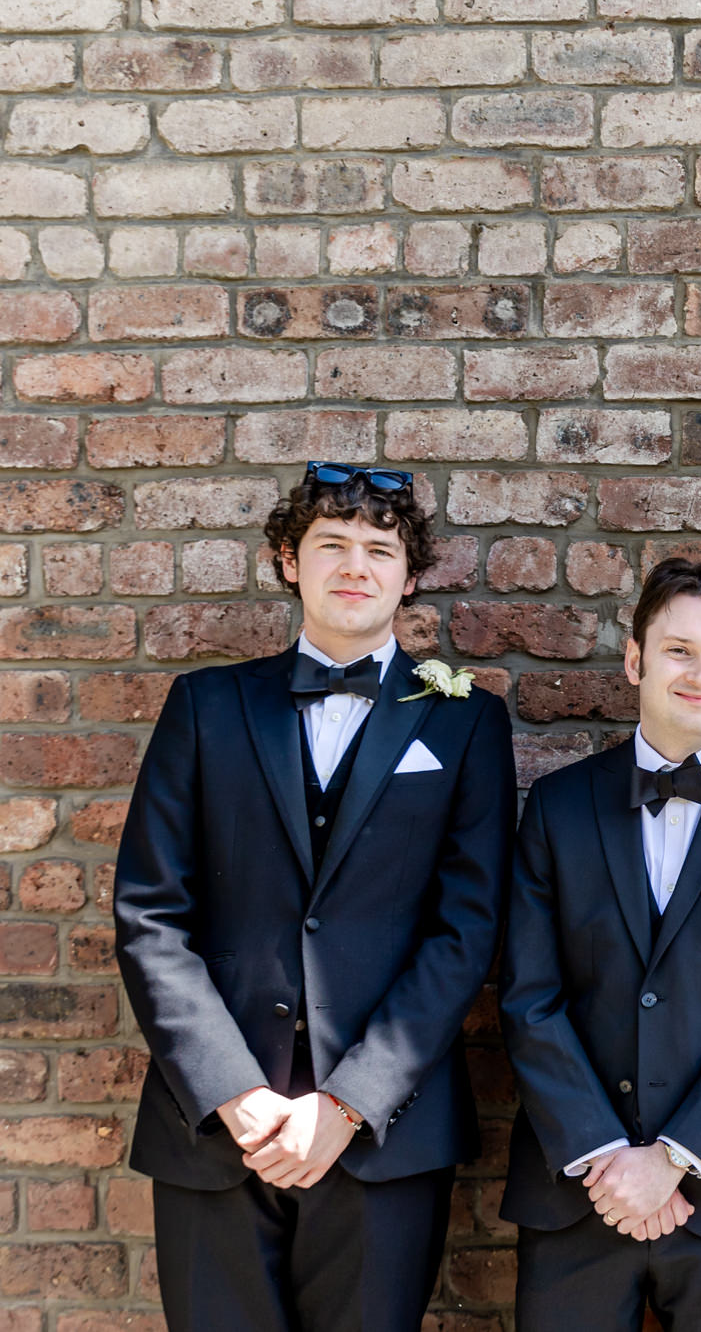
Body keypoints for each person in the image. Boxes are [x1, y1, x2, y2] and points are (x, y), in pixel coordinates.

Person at [115, 462, 514, 1332]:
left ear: (411, 577)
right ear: (289, 561)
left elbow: (466, 931)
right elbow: (150, 916)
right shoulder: (206, 706)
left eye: (380, 548)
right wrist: (233, 1091)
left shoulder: (465, 724)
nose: (355, 565)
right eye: (331, 543)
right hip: (218, 1135)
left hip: (383, 1138)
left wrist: (349, 1103)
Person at [498, 557, 701, 1332]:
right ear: (635, 657)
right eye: (680, 649)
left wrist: (674, 1156)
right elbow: (528, 995)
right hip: (577, 1195)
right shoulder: (558, 806)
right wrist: (605, 1155)